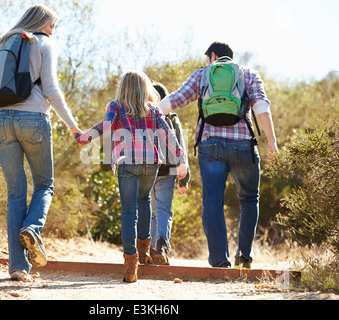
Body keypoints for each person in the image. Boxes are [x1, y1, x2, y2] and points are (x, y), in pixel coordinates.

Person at [158, 42, 278, 269]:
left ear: (212, 56)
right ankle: (244, 256)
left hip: (210, 146)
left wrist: (151, 110)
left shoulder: (202, 75)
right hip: (243, 145)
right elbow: (261, 105)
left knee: (213, 203)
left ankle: (220, 261)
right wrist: (271, 141)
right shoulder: (249, 74)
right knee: (249, 199)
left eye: (207, 59)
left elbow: (177, 99)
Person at [0, 4, 81, 282]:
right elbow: (50, 88)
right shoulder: (44, 42)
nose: (53, 30)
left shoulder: (1, 42)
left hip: (0, 121)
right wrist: (73, 126)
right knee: (44, 185)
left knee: (15, 193)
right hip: (34, 120)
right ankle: (32, 229)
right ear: (41, 23)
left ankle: (17, 268)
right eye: (52, 25)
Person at [74, 71, 187, 282]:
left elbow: (106, 126)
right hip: (151, 162)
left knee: (128, 211)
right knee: (144, 200)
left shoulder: (115, 106)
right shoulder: (153, 108)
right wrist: (180, 159)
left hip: (127, 161)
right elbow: (167, 133)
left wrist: (83, 137)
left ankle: (130, 264)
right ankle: (144, 250)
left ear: (123, 87)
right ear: (145, 89)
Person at [150, 82, 190, 265]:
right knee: (163, 210)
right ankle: (161, 246)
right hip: (167, 169)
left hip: (146, 169)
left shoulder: (142, 115)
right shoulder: (171, 117)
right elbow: (181, 146)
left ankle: (149, 249)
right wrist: (184, 177)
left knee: (150, 212)